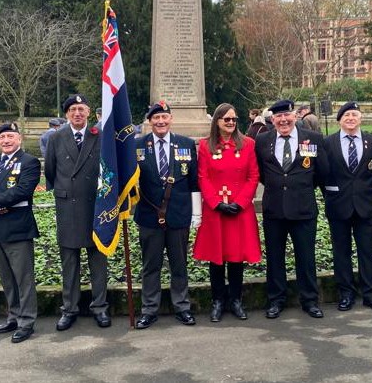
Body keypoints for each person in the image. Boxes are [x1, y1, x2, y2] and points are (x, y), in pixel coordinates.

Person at [255, 99, 329, 319]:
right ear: (273, 119)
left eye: (287, 115)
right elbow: (261, 173)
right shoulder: (262, 141)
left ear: (295, 116)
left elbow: (322, 173)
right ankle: (276, 300)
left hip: (303, 208)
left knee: (306, 257)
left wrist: (300, 188)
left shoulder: (313, 139)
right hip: (274, 209)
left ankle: (309, 300)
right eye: (278, 116)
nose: (283, 120)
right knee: (275, 258)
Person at [45, 94, 109, 332]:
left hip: (95, 206)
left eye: (81, 109)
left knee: (98, 260)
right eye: (73, 109)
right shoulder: (57, 137)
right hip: (68, 206)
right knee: (69, 261)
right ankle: (69, 309)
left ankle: (100, 307)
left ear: (89, 112)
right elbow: (50, 171)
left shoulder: (99, 136)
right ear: (67, 114)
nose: (77, 113)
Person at [133, 101, 200, 330]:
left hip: (178, 215)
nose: (160, 121)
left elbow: (193, 183)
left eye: (164, 117)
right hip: (149, 217)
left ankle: (182, 307)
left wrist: (196, 214)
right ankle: (149, 310)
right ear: (149, 121)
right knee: (150, 266)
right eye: (156, 118)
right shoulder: (138, 146)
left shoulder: (186, 144)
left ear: (171, 119)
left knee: (179, 265)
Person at [0, 122, 41, 343]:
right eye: (2, 138)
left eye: (10, 136)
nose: (6, 141)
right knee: (7, 278)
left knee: (23, 278)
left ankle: (27, 321)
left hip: (17, 228)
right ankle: (13, 315)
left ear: (19, 139)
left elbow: (23, 189)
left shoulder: (28, 162)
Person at [193, 103, 261, 322]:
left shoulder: (248, 144)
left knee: (236, 257)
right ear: (217, 122)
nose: (231, 123)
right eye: (226, 119)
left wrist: (240, 203)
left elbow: (253, 176)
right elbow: (203, 177)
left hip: (239, 211)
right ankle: (218, 300)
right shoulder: (205, 146)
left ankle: (236, 300)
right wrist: (216, 203)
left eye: (234, 119)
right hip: (216, 212)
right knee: (217, 258)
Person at [323, 102, 372, 313]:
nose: (350, 118)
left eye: (354, 114)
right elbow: (322, 174)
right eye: (346, 115)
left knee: (368, 252)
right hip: (338, 206)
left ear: (360, 118)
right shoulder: (328, 143)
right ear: (339, 120)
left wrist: (361, 190)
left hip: (366, 206)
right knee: (341, 252)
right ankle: (346, 294)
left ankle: (371, 295)